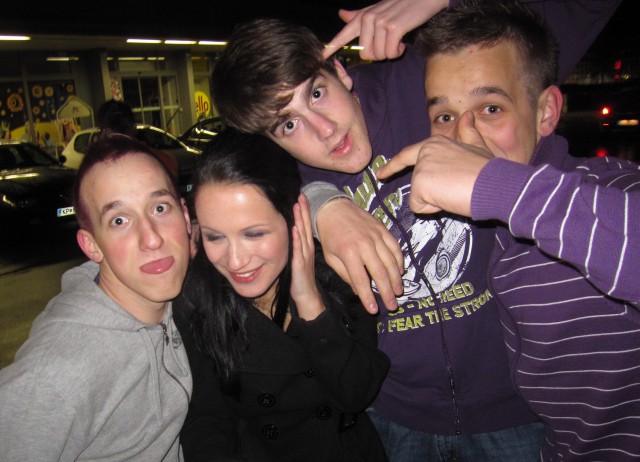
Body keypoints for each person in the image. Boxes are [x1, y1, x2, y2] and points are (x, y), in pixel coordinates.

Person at [210, 1, 621, 460]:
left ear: (341, 72)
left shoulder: (426, 78)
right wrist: (323, 203)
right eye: (289, 124)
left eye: (318, 94)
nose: (323, 130)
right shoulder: (288, 178)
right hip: (395, 417)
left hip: (513, 409)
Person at [375, 1, 640, 460]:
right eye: (444, 117)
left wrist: (492, 185)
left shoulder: (607, 186)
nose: (465, 138)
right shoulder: (496, 232)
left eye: (491, 108)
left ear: (545, 112)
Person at [173, 129, 390, 462]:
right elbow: (206, 420)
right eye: (215, 237)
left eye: (254, 234)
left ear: (293, 217)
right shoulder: (197, 299)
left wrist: (310, 301)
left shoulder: (338, 274)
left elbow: (356, 394)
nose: (235, 261)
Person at [0, 134, 193, 460]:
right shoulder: (57, 372)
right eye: (119, 220)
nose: (151, 238)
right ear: (91, 246)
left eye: (160, 208)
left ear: (185, 218)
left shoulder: (177, 294)